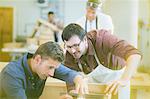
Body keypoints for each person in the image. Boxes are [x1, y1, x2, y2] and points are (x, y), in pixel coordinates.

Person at [61, 23, 141, 98]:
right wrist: (72, 95)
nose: (73, 51)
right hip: (95, 88)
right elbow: (71, 87)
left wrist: (124, 80)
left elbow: (134, 55)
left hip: (117, 81)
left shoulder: (103, 39)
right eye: (68, 46)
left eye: (76, 45)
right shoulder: (69, 55)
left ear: (85, 39)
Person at [0, 41, 87, 99]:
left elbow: (70, 74)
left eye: (54, 68)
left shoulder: (47, 64)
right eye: (50, 68)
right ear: (38, 59)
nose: (52, 74)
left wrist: (79, 79)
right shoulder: (12, 74)